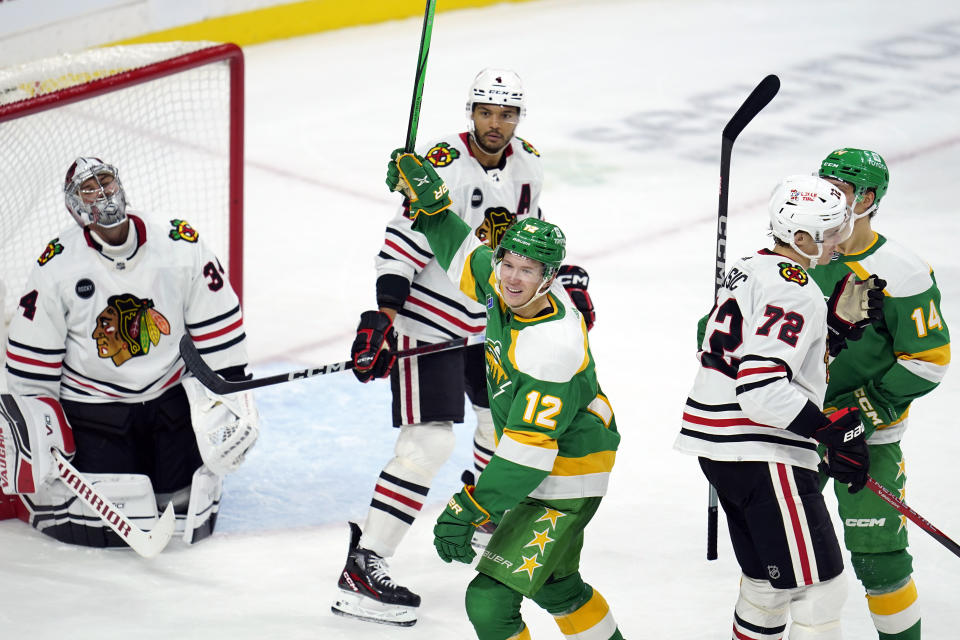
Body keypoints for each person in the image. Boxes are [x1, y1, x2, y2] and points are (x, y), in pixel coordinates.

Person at [333, 68, 594, 625]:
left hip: (493, 325)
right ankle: (365, 562)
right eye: (485, 112)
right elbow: (401, 246)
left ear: (519, 118)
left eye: (506, 114)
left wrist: (564, 284)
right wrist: (383, 319)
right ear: (470, 112)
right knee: (425, 446)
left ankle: (483, 523)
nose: (495, 124)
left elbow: (528, 240)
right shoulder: (438, 167)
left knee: (496, 430)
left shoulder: (530, 163)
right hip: (428, 326)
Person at [380, 150, 623, 639]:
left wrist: (472, 506)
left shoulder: (550, 346)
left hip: (566, 476)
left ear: (550, 278)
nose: (511, 278)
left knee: (489, 600)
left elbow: (527, 458)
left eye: (527, 270)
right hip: (552, 457)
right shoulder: (508, 285)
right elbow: (463, 254)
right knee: (558, 586)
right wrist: (430, 208)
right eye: (508, 263)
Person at [0, 157, 258, 548]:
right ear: (74, 206)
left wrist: (232, 392)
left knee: (186, 504)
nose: (102, 195)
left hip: (169, 399)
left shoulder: (177, 243)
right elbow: (31, 363)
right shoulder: (56, 265)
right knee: (106, 521)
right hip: (95, 410)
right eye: (89, 189)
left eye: (105, 181)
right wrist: (38, 426)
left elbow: (218, 321)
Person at [675, 174, 885, 639]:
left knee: (769, 586)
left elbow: (751, 350)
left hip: (723, 451)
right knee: (819, 591)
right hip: (762, 454)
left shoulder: (749, 268)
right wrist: (826, 431)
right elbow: (762, 388)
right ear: (803, 237)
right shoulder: (796, 288)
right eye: (832, 233)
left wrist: (830, 329)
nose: (841, 241)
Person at [810, 148, 950, 640]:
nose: (828, 195)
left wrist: (861, 414)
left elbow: (927, 361)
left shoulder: (902, 270)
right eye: (823, 183)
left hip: (866, 438)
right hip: (792, 428)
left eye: (842, 189)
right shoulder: (791, 253)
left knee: (881, 560)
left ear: (868, 199)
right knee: (781, 558)